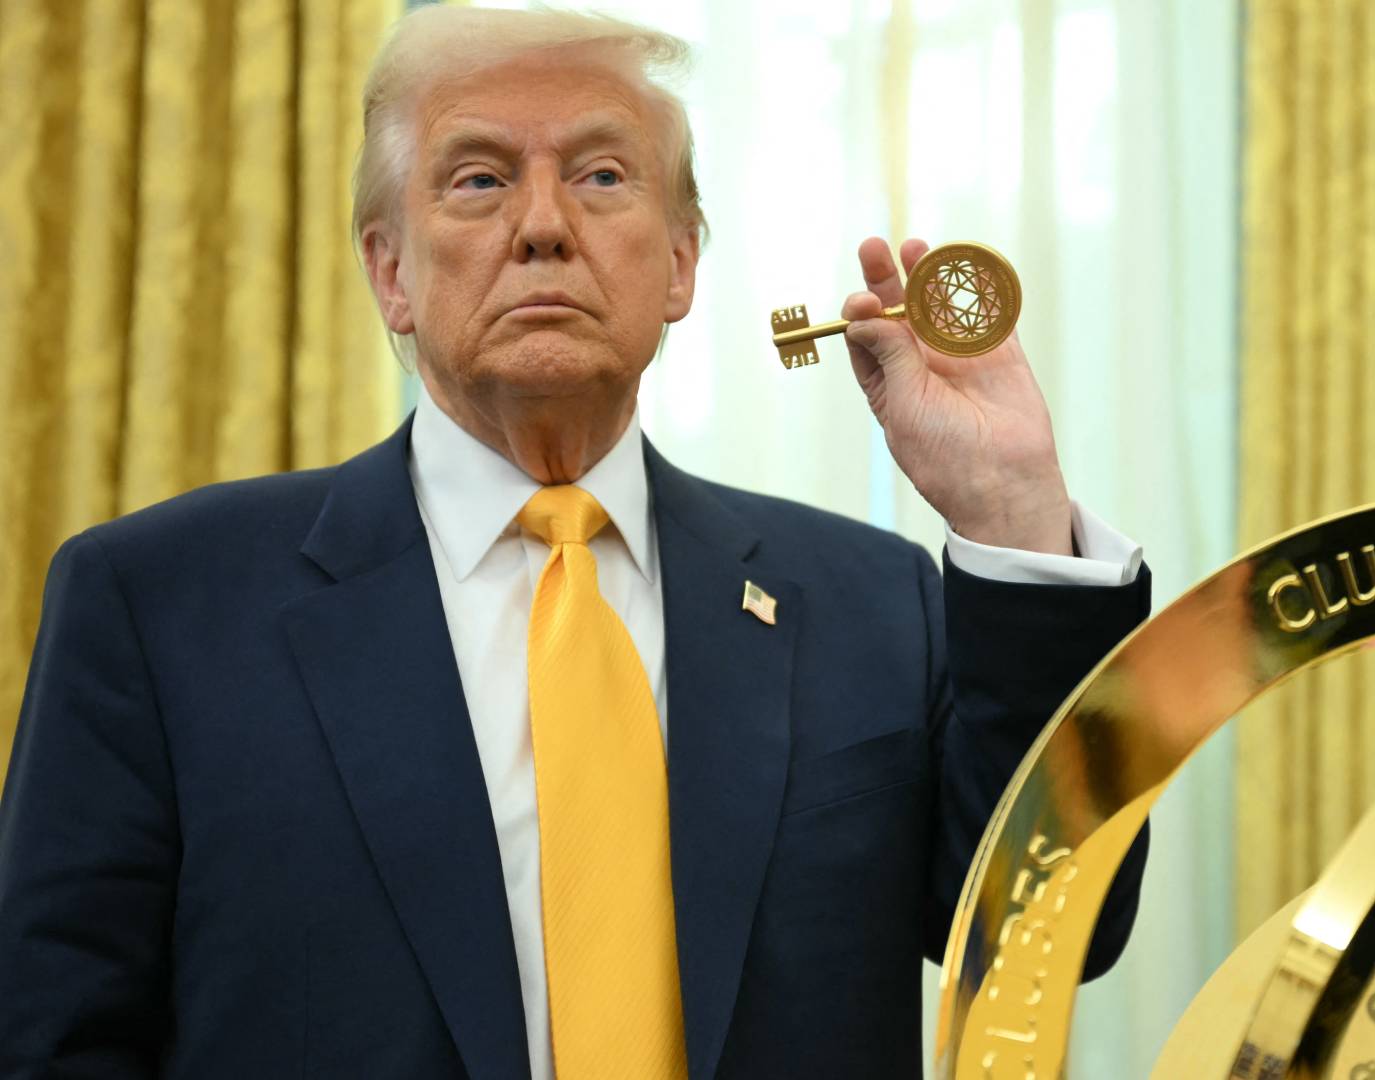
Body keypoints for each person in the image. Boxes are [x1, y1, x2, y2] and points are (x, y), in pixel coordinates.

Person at [0, 8, 1148, 1078]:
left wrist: (1010, 507)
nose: (544, 226)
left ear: (681, 264)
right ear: (392, 272)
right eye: (479, 178)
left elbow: (1059, 932)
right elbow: (53, 1039)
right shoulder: (158, 607)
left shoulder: (871, 603)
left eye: (602, 176)